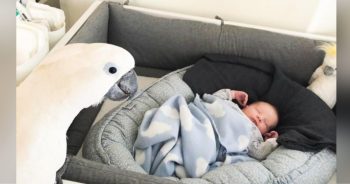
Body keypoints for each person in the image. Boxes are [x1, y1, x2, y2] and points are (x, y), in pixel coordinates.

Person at [212, 89, 279, 160]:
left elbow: (259, 153)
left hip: (213, 143)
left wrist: (271, 141)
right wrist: (233, 94)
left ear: (265, 133)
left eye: (265, 123)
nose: (260, 118)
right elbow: (215, 98)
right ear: (246, 107)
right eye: (258, 111)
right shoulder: (232, 106)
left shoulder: (254, 135)